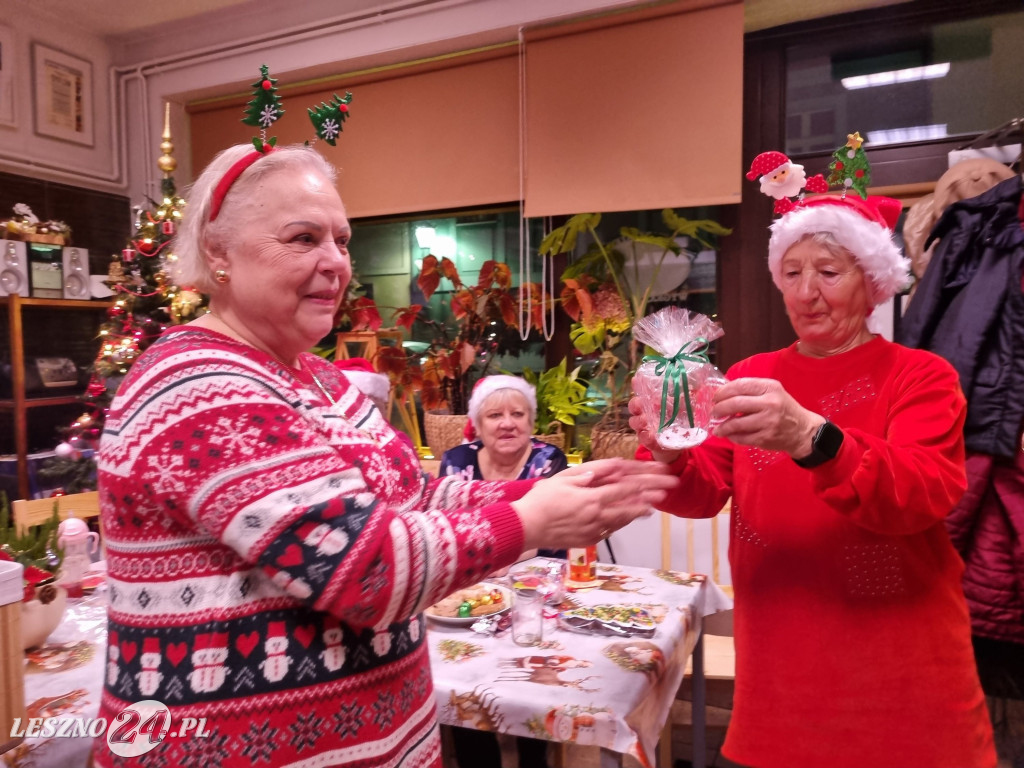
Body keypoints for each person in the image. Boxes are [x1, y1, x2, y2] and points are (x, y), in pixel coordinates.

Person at [93, 142, 678, 768]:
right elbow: (363, 568)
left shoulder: (322, 382)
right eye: (302, 238)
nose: (335, 263)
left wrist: (549, 492)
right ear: (218, 251)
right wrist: (533, 520)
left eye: (341, 241)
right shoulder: (198, 382)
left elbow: (418, 498)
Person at [629, 190, 997, 767]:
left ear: (872, 281)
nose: (806, 293)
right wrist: (668, 451)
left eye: (828, 271)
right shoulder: (754, 375)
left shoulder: (920, 376)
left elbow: (921, 493)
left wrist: (811, 438)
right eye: (792, 272)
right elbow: (705, 491)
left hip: (901, 675)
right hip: (778, 671)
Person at [439, 374, 566, 768]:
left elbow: (550, 531)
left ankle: (535, 756)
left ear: (532, 421)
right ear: (477, 426)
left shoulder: (550, 460)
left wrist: (497, 558)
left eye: (518, 413)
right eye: (495, 414)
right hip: (472, 592)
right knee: (463, 672)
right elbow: (447, 527)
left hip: (536, 590)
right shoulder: (457, 462)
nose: (507, 423)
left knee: (534, 676)